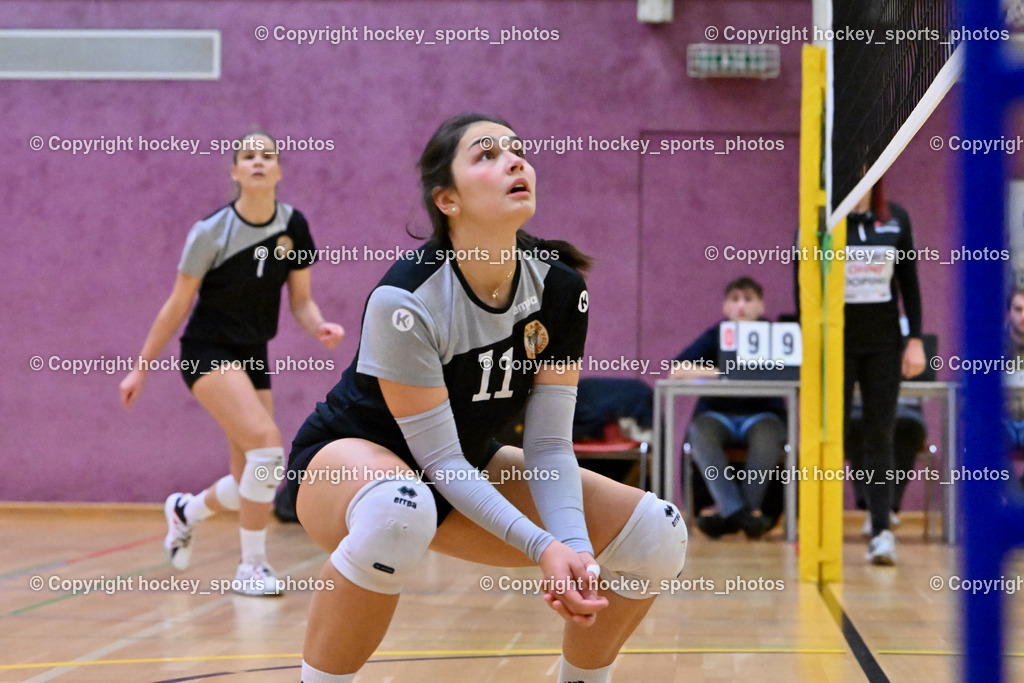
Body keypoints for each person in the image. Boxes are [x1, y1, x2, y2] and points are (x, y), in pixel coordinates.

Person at [286, 113, 687, 683]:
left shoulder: (559, 287)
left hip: (462, 470)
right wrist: (543, 547)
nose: (515, 160)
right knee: (399, 508)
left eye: (517, 149)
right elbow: (438, 460)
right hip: (347, 469)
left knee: (657, 535)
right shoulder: (407, 299)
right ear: (447, 200)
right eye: (487, 154)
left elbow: (549, 446)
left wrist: (576, 551)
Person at [119, 130, 344, 594]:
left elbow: (301, 301)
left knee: (252, 475)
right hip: (207, 350)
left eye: (267, 155)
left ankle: (187, 510)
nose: (258, 161)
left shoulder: (294, 226)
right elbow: (177, 305)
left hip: (253, 352)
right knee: (268, 449)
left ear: (279, 170)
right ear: (235, 171)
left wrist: (319, 325)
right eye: (248, 155)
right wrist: (142, 365)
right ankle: (252, 568)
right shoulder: (210, 232)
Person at [843, 178, 925, 565]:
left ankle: (881, 532)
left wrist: (915, 339)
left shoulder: (895, 219)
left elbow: (909, 283)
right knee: (831, 433)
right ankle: (817, 530)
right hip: (836, 344)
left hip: (884, 345)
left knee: (881, 435)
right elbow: (801, 282)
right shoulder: (821, 221)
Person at [671, 277, 786, 539]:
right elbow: (678, 369)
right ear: (725, 307)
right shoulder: (717, 334)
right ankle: (744, 516)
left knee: (768, 435)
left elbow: (792, 372)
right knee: (699, 431)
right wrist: (723, 372)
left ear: (761, 306)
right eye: (735, 299)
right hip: (717, 414)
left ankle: (733, 514)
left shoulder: (776, 336)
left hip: (763, 415)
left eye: (748, 299)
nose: (741, 305)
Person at [1003, 285, 1024, 451]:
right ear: (1008, 312)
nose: (1023, 316)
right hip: (1001, 422)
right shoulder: (991, 348)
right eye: (1018, 309)